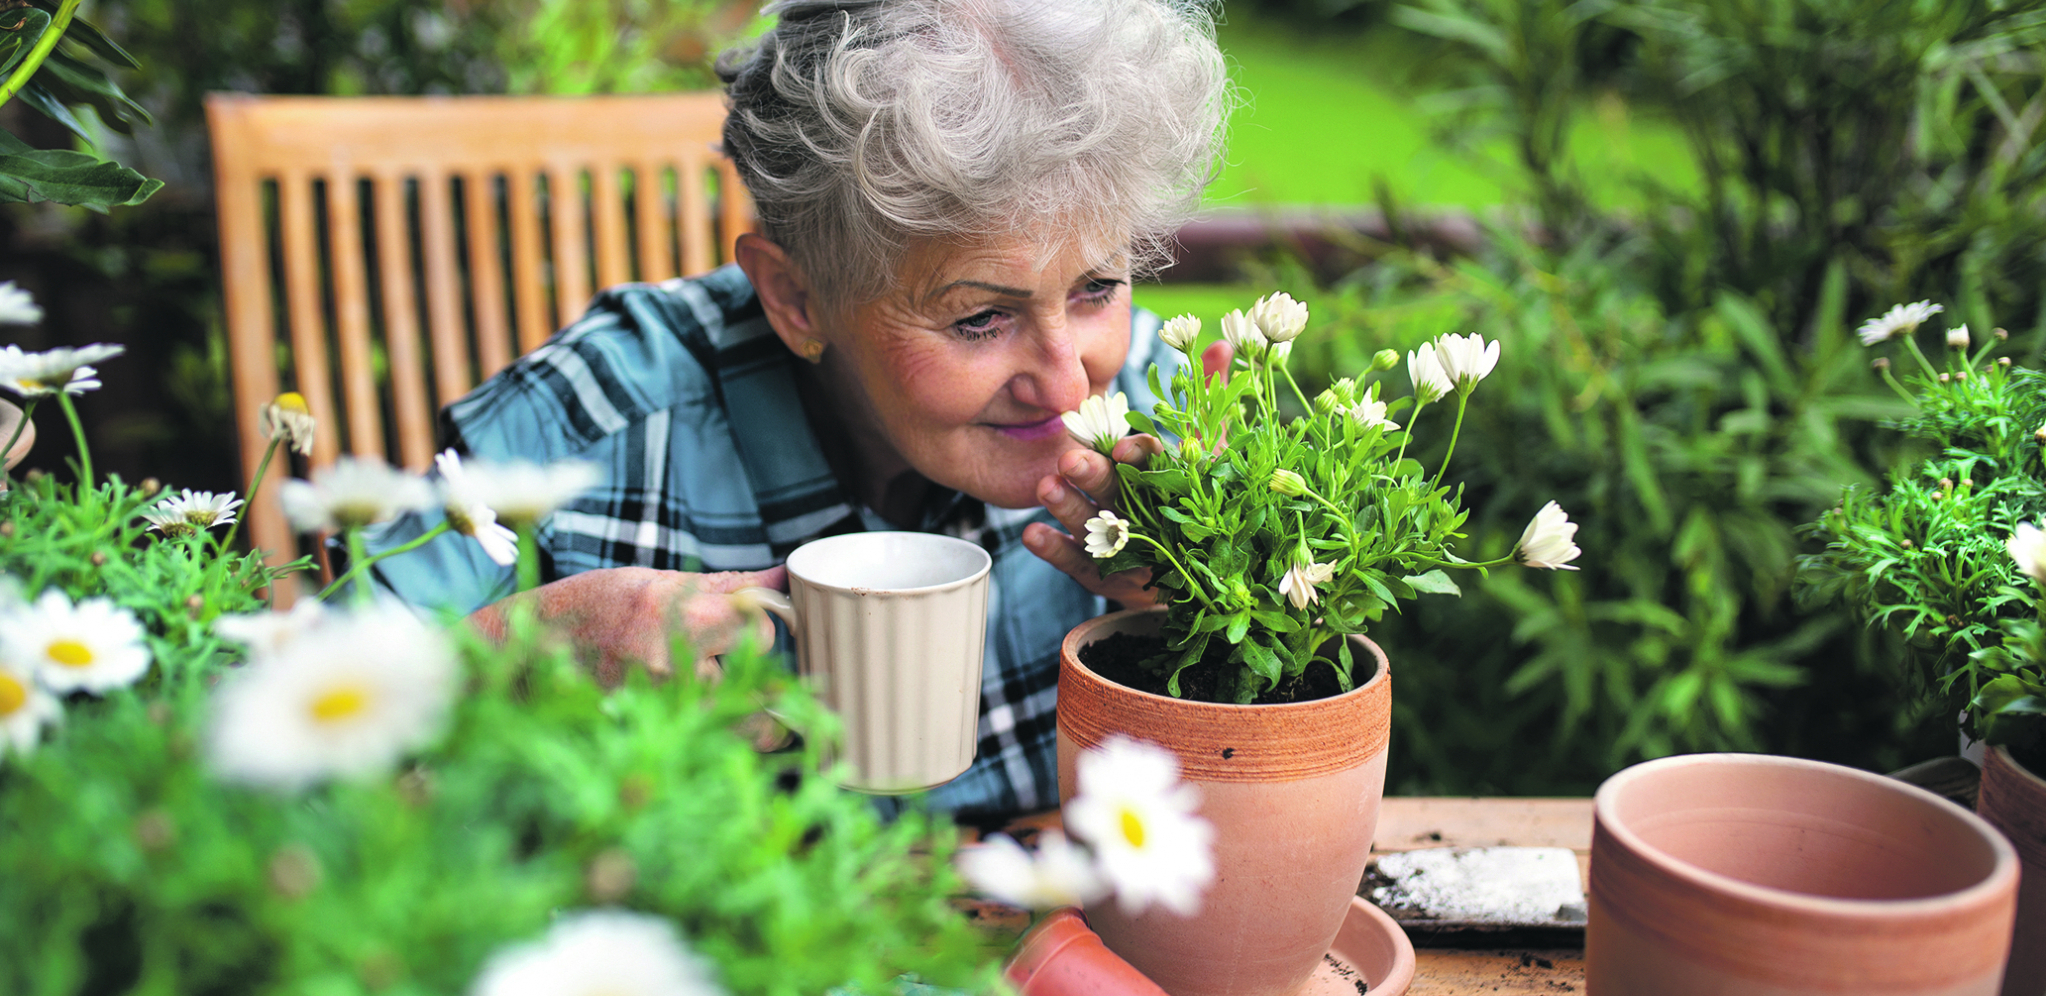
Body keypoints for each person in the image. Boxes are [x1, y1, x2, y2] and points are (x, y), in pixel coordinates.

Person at [366, 0, 1232, 821]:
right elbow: (266, 733)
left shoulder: (1164, 417)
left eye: (1099, 287)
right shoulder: (599, 420)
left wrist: (1206, 604)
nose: (1071, 385)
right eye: (980, 317)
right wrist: (518, 654)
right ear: (795, 298)